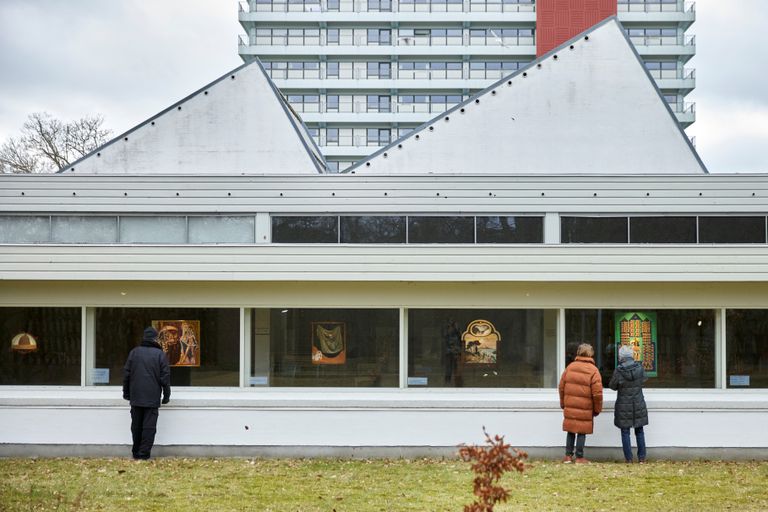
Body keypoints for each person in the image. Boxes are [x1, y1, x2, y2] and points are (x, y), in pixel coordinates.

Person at [122, 326, 171, 460]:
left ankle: (136, 452)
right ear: (155, 339)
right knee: (149, 427)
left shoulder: (134, 353)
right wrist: (166, 395)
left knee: (136, 425)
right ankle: (144, 454)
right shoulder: (160, 355)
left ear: (144, 338)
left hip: (136, 396)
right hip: (152, 397)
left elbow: (126, 375)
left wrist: (126, 393)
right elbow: (165, 378)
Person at [558, 343, 603, 464]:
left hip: (570, 405)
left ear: (578, 352)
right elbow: (597, 393)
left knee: (571, 430)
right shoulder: (594, 370)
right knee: (581, 431)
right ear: (591, 354)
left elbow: (561, 387)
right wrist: (597, 409)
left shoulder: (570, 367)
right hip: (585, 407)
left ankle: (568, 456)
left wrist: (563, 403)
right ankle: (579, 457)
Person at [609, 344, 649, 463]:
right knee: (639, 430)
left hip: (623, 404)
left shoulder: (619, 370)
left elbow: (612, 386)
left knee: (625, 432)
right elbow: (643, 381)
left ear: (621, 357)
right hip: (638, 403)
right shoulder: (640, 368)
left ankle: (629, 459)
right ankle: (642, 458)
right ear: (632, 355)